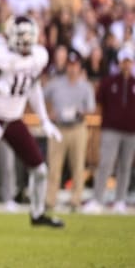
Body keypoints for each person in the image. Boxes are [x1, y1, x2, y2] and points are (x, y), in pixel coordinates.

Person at [0, 16, 65, 227]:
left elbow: (33, 88)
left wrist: (44, 120)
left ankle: (37, 213)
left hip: (15, 120)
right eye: (22, 39)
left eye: (28, 39)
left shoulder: (38, 57)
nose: (25, 44)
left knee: (39, 169)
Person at [82, 46, 135, 214]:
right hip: (110, 130)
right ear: (119, 62)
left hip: (131, 131)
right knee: (105, 164)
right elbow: (96, 101)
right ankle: (98, 199)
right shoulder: (109, 82)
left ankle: (120, 200)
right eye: (124, 61)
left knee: (125, 166)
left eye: (129, 61)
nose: (126, 65)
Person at [43, 49, 95, 212]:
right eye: (70, 65)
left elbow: (91, 108)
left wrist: (80, 112)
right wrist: (49, 113)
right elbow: (41, 97)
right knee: (54, 166)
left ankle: (76, 199)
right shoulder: (56, 83)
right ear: (67, 67)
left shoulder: (85, 86)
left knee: (78, 165)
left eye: (75, 65)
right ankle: (50, 200)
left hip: (77, 127)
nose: (72, 68)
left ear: (79, 67)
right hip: (58, 127)